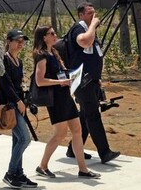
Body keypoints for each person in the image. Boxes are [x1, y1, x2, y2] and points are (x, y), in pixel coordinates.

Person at [33, 25, 99, 179]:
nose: (55, 35)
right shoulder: (41, 56)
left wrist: (73, 77)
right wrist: (60, 82)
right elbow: (40, 81)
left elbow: (60, 73)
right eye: (51, 33)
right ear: (44, 37)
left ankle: (83, 169)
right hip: (55, 99)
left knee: (77, 130)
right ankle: (42, 166)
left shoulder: (54, 53)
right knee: (60, 134)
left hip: (65, 96)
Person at [64, 2, 120, 164]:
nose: (93, 16)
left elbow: (93, 55)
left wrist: (97, 77)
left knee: (85, 115)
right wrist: (94, 25)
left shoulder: (90, 32)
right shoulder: (78, 29)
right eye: (89, 13)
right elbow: (84, 42)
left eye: (94, 13)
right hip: (81, 80)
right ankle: (104, 152)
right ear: (81, 15)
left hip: (91, 80)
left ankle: (73, 149)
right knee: (93, 115)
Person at [0, 29, 37, 189]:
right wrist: (17, 101)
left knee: (17, 140)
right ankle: (11, 173)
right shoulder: (4, 60)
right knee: (25, 139)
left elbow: (18, 85)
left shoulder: (18, 61)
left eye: (22, 41)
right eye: (17, 40)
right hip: (10, 105)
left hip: (18, 104)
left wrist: (24, 101)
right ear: (8, 41)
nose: (21, 43)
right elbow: (5, 85)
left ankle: (18, 174)